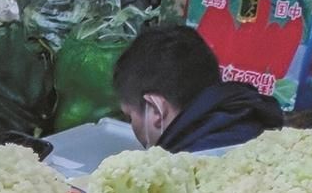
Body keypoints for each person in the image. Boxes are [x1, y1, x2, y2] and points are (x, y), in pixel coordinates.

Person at [114, 25, 284, 152]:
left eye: (130, 117)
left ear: (156, 111)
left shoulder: (187, 168)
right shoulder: (251, 120)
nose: (131, 126)